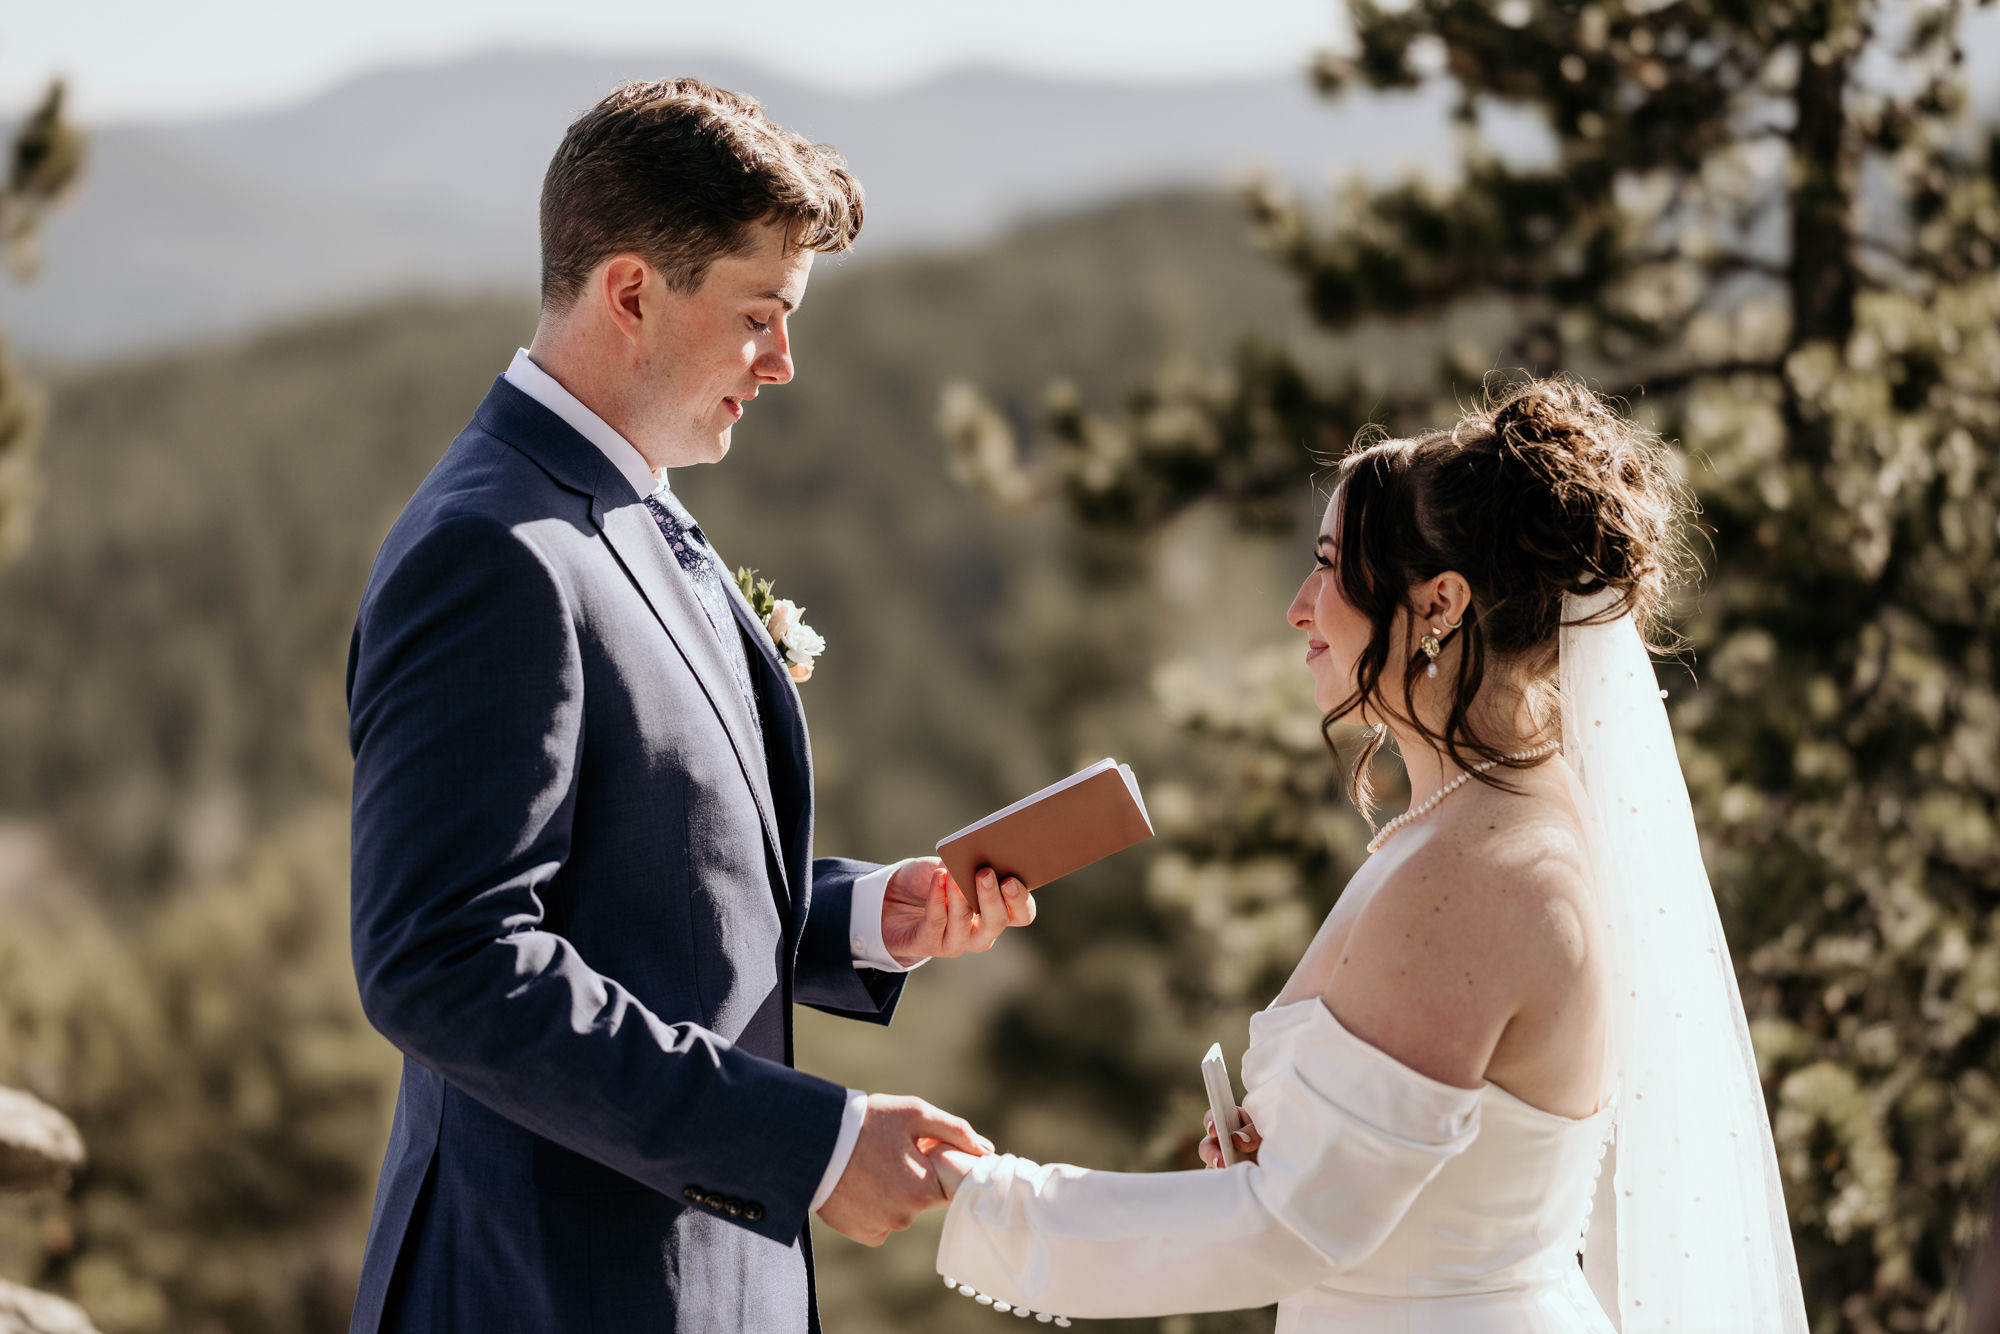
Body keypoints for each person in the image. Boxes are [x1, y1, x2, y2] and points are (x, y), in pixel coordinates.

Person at [344, 78, 1033, 1334]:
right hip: (548, 1286)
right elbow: (444, 958)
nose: (783, 362)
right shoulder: (491, 549)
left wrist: (872, 914)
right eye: (761, 316)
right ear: (629, 293)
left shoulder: (633, 502)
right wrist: (811, 1144)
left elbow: (647, 872)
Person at [926, 378, 1810, 1331]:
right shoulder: (1471, 826)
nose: (1302, 608)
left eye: (1328, 568)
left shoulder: (1486, 872)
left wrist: (985, 1197)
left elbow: (1293, 1227)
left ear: (1439, 604)